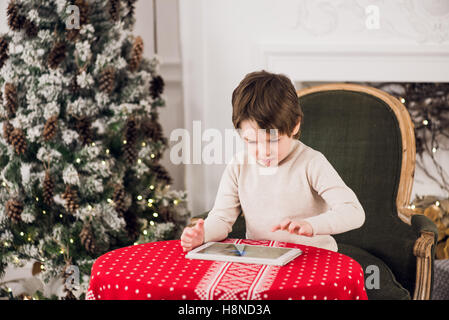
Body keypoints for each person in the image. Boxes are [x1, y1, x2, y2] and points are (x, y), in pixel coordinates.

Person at [180, 70, 365, 253]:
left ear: (295, 125)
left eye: (273, 140)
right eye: (251, 141)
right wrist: (203, 234)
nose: (264, 152)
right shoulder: (239, 166)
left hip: (313, 260)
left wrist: (311, 225)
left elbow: (354, 212)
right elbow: (221, 218)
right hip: (262, 260)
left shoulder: (312, 163)